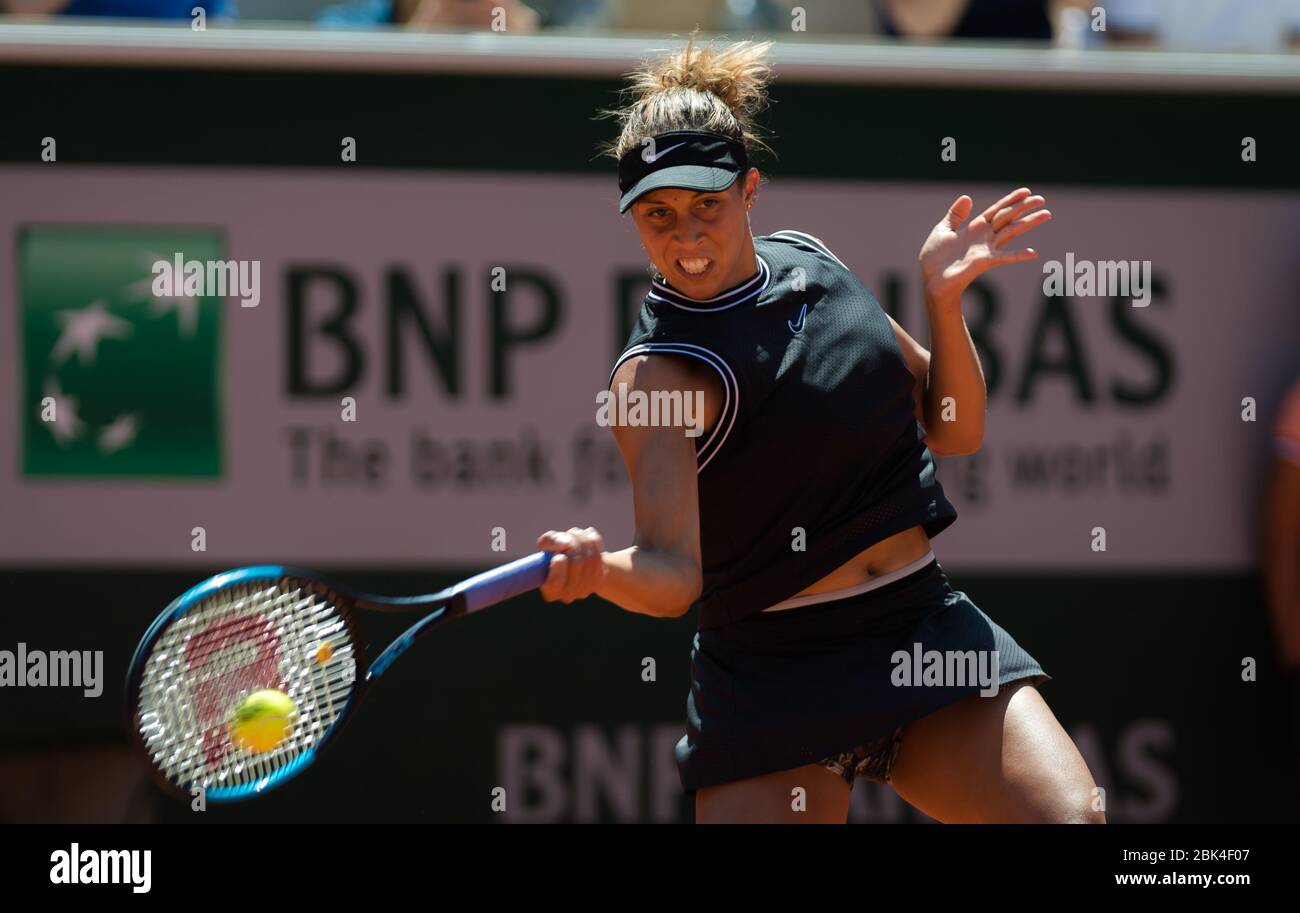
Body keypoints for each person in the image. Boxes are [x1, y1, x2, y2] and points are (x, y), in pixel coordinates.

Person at [536, 36, 1103, 824]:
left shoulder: (814, 262)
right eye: (658, 215)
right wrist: (600, 569)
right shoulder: (653, 378)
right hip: (772, 679)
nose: (687, 235)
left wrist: (944, 300)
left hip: (919, 628)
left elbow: (953, 429)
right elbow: (671, 574)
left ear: (750, 189)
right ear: (633, 218)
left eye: (708, 204)